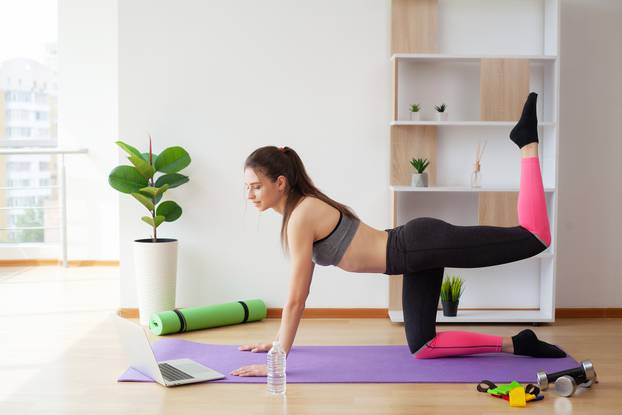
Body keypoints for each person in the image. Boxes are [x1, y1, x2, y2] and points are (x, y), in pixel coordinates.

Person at [230, 92, 566, 377]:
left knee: (535, 238)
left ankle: (527, 145)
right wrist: (275, 345)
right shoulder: (299, 213)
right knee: (424, 347)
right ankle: (519, 343)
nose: (250, 195)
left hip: (420, 245)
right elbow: (297, 297)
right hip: (413, 254)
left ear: (281, 182)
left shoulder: (301, 216)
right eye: (247, 187)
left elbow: (295, 299)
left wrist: (278, 357)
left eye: (256, 186)